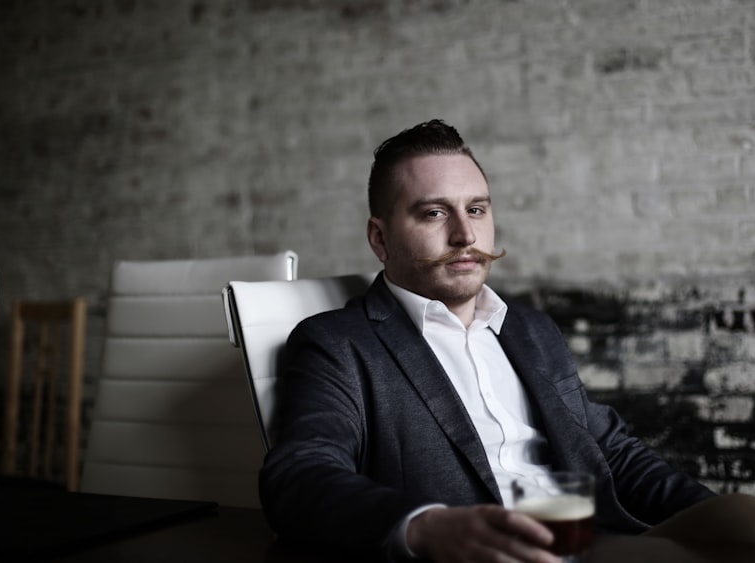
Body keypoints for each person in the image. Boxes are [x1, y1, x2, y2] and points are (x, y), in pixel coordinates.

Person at [260, 119, 718, 562]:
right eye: (435, 212)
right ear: (380, 239)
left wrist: (709, 516)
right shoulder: (338, 343)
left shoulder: (531, 330)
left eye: (476, 209)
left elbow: (612, 450)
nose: (465, 235)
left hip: (592, 539)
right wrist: (426, 526)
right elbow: (300, 476)